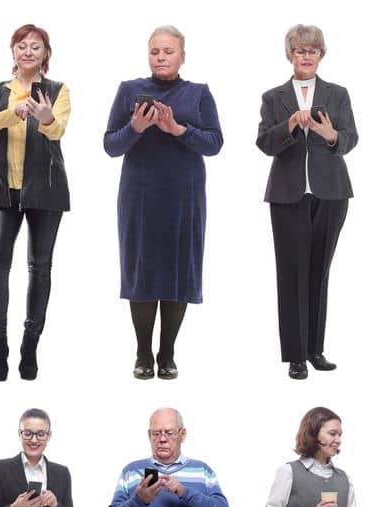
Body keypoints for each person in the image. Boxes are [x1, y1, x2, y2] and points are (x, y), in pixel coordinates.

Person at [103, 25, 223, 378]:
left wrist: (178, 130)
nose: (161, 57)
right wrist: (135, 129)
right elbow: (111, 145)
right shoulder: (130, 90)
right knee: (141, 270)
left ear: (182, 56)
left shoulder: (198, 93)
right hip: (140, 196)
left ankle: (167, 353)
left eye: (168, 51)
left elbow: (215, 143)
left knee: (178, 271)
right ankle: (142, 353)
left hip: (184, 197)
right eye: (155, 51)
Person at [257, 25, 357, 379]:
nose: (306, 56)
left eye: (313, 50)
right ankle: (296, 355)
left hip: (331, 192)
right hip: (287, 194)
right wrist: (289, 126)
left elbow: (350, 137)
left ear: (321, 55)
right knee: (291, 274)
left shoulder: (337, 94)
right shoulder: (274, 97)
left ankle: (315, 349)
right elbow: (264, 143)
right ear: (290, 54)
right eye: (300, 50)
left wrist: (331, 136)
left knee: (319, 271)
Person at [0, 23, 71, 380]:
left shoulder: (58, 90)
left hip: (45, 189)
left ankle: (30, 344)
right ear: (13, 51)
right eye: (22, 46)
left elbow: (56, 128)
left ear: (45, 54)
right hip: (2, 189)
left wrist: (44, 116)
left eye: (36, 47)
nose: (28, 52)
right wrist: (13, 112)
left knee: (41, 268)